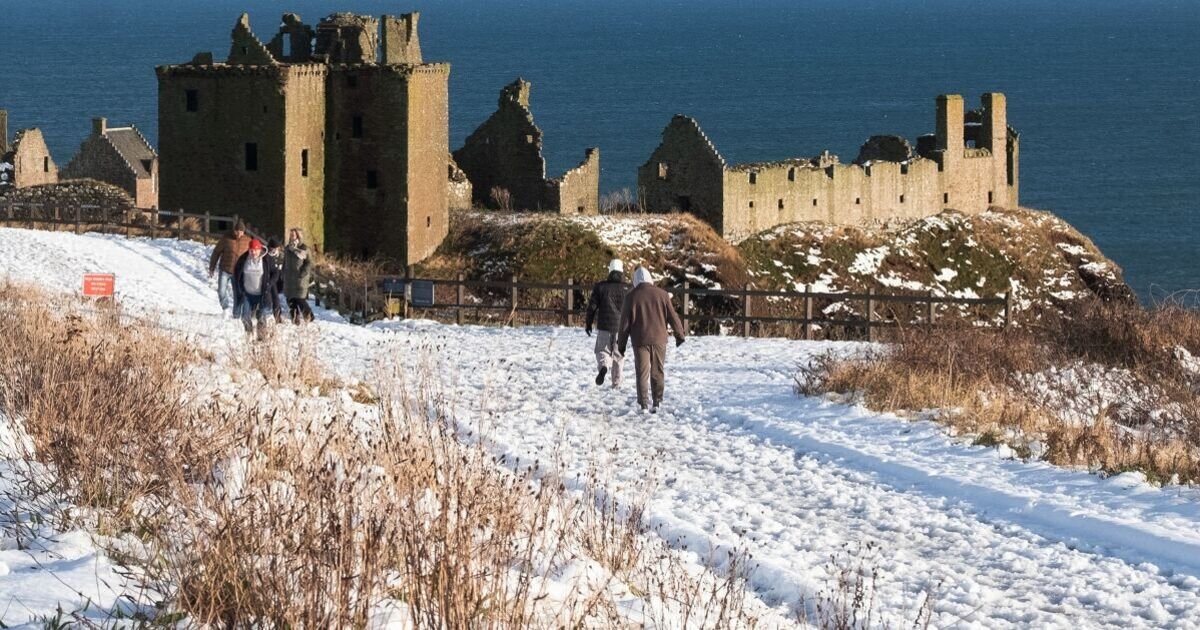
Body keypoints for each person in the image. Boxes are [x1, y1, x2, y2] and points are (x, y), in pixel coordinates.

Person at [617, 266, 686, 413]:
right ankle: (657, 402)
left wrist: (621, 345)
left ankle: (643, 404)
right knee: (658, 371)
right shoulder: (663, 295)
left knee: (642, 373)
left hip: (640, 340)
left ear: (635, 280)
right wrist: (679, 335)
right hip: (659, 339)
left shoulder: (631, 297)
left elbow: (624, 324)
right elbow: (672, 316)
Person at [585, 258, 630, 388]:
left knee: (602, 350)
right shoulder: (628, 288)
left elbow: (592, 307)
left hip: (604, 326)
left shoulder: (601, 287)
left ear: (609, 271)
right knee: (618, 355)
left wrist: (588, 323)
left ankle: (604, 366)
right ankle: (616, 382)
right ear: (622, 271)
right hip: (621, 328)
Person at [233, 239, 279, 339]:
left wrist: (269, 284)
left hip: (262, 294)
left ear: (260, 249)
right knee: (245, 316)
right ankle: (249, 334)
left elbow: (275, 273)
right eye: (251, 250)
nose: (253, 252)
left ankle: (261, 337)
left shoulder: (267, 259)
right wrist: (240, 287)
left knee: (261, 317)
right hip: (248, 294)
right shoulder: (243, 259)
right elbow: (236, 273)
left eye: (255, 250)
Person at [208, 220, 251, 318]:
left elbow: (253, 254)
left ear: (243, 232)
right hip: (225, 269)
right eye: (237, 231)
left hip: (238, 272)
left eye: (241, 231)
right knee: (221, 290)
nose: (239, 233)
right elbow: (216, 252)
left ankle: (236, 314)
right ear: (234, 230)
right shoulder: (226, 238)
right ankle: (225, 308)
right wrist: (212, 267)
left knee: (237, 294)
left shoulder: (247, 241)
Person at [283, 228, 315, 324]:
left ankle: (309, 316)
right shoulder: (287, 248)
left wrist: (303, 272)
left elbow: (309, 262)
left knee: (300, 298)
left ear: (298, 236)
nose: (291, 237)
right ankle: (295, 318)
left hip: (299, 278)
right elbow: (285, 261)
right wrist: (283, 272)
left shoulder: (304, 248)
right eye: (290, 235)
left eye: (293, 235)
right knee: (290, 299)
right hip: (289, 278)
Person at [265, 238, 286, 323]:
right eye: (272, 248)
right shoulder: (266, 256)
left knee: (276, 297)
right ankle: (273, 315)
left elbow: (285, 266)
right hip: (270, 279)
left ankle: (277, 315)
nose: (274, 250)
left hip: (279, 279)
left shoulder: (282, 256)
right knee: (273, 297)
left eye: (276, 248)